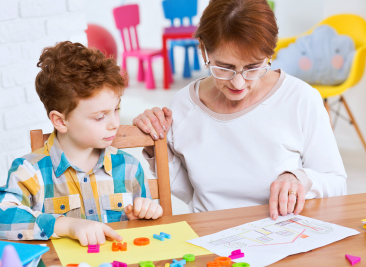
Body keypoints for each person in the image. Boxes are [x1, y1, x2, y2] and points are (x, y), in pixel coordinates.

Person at [133, 0, 346, 220]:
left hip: (281, 234)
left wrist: (298, 178)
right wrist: (155, 144)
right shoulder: (184, 105)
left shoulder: (301, 98)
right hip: (211, 234)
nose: (238, 83)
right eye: (225, 68)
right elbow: (189, 192)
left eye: (253, 67)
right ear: (203, 49)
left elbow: (336, 183)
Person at [0, 41, 163, 246]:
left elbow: (145, 234)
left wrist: (145, 214)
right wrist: (66, 225)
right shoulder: (30, 172)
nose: (114, 123)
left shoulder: (129, 167)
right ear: (60, 121)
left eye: (116, 109)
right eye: (99, 117)